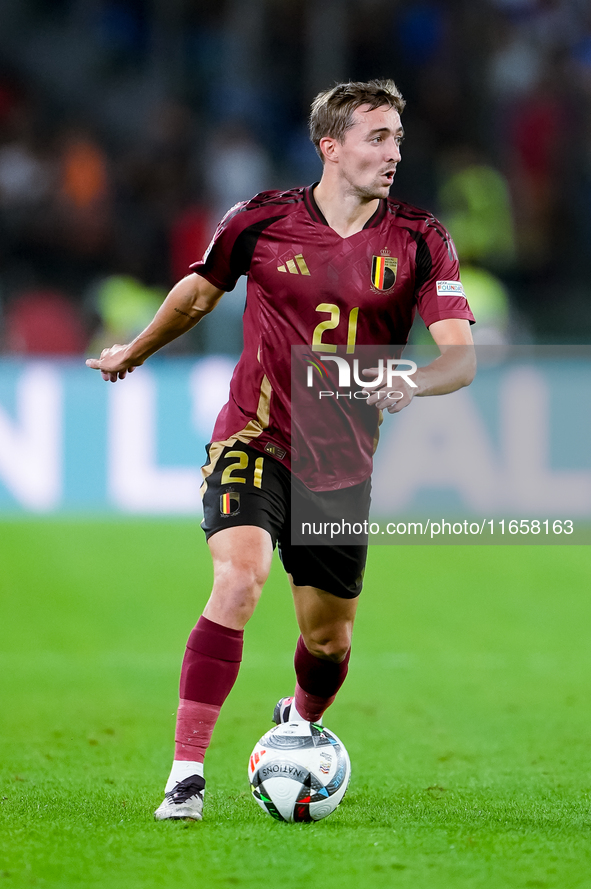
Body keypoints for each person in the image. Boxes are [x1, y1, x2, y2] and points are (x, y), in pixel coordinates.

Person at [86, 79, 476, 821]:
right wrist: (134, 350)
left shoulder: (420, 238)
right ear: (330, 146)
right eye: (375, 137)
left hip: (341, 466)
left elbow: (460, 357)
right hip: (252, 435)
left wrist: (414, 381)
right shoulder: (260, 221)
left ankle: (297, 719)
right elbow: (200, 292)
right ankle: (186, 775)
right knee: (239, 579)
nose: (392, 152)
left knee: (327, 642)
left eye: (397, 137)